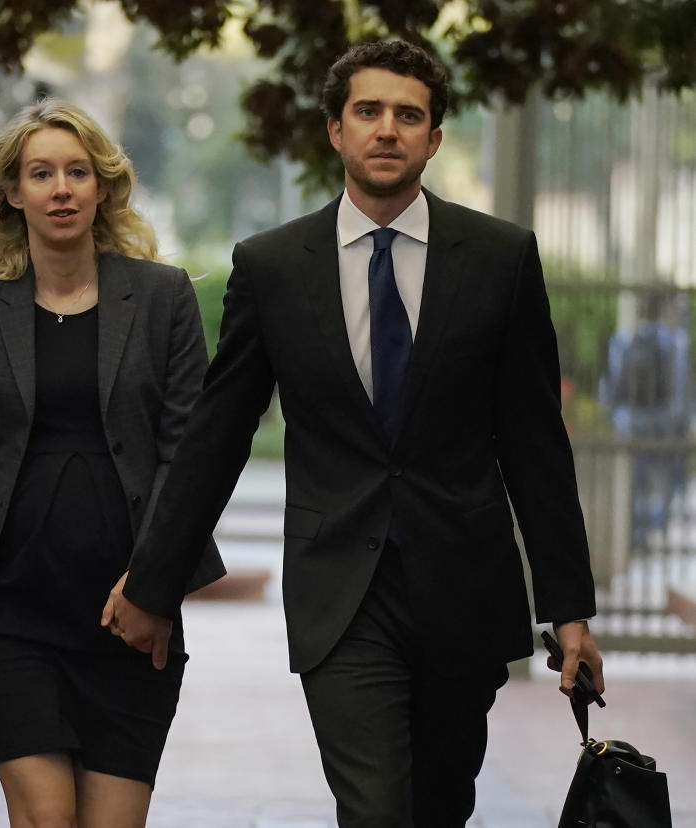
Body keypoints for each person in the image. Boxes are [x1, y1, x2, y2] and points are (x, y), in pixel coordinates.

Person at [105, 40, 606, 826]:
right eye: (368, 111)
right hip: (340, 592)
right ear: (335, 130)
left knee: (439, 807)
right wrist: (154, 580)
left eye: (409, 116)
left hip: (461, 591)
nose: (387, 130)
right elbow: (218, 432)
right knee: (373, 810)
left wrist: (569, 608)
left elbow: (536, 443)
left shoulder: (500, 259)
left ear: (434, 140)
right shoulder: (272, 266)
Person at [0, 99, 224, 826]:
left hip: (131, 617)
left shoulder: (163, 298)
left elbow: (190, 457)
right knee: (47, 819)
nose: (61, 188)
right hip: (6, 612)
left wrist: (152, 589)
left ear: (102, 186)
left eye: (77, 172)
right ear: (11, 192)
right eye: (41, 173)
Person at [604, 292, 690, 547]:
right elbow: (679, 389)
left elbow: (612, 382)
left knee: (637, 480)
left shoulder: (626, 338)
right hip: (661, 424)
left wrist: (615, 417)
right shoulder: (674, 342)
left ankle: (637, 534)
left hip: (630, 422)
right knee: (667, 479)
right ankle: (657, 526)